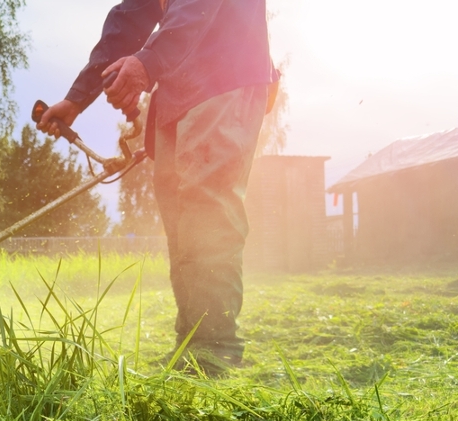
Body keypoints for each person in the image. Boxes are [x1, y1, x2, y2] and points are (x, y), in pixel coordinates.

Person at [36, 0, 278, 376]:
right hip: (177, 87)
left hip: (225, 72)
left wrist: (148, 62)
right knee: (179, 220)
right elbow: (131, 15)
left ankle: (214, 350)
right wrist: (78, 97)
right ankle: (191, 344)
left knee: (206, 209)